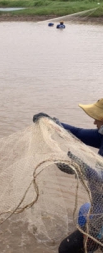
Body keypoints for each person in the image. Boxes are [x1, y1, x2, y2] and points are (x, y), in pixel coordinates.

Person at [33, 98, 103, 252]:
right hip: (99, 207)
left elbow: (100, 177)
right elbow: (77, 133)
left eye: (98, 119)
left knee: (66, 249)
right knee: (84, 212)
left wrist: (80, 168)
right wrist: (53, 123)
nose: (94, 123)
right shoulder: (101, 136)